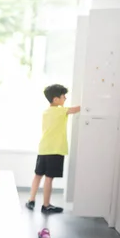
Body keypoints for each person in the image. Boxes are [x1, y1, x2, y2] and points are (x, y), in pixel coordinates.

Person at [26, 84, 80, 214]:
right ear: (56, 99)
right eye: (63, 96)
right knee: (49, 178)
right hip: (55, 150)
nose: (65, 98)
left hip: (43, 148)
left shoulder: (46, 112)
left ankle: (31, 200)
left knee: (38, 175)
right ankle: (46, 205)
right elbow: (76, 109)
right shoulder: (61, 110)